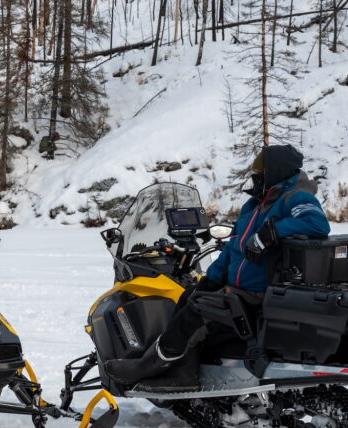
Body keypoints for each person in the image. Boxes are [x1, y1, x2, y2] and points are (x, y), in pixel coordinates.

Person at [106, 144, 330, 392]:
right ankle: (180, 368)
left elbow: (316, 223)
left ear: (276, 171)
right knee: (190, 296)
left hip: (260, 291)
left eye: (259, 171)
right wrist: (209, 281)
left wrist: (271, 233)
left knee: (196, 312)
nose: (254, 176)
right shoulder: (253, 206)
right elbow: (234, 249)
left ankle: (159, 369)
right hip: (239, 286)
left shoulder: (296, 197)